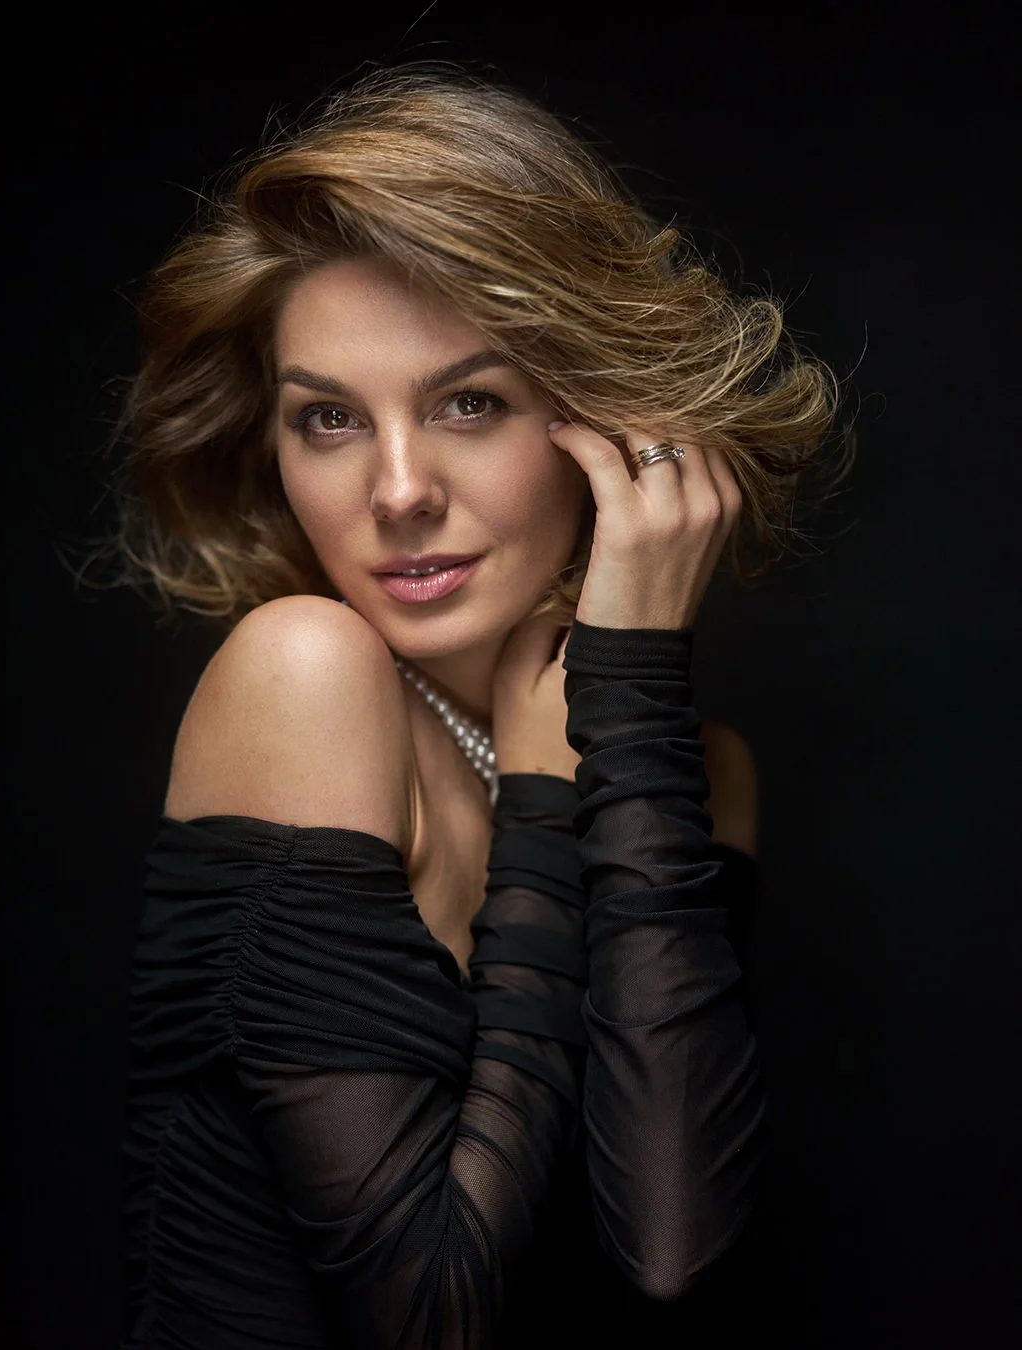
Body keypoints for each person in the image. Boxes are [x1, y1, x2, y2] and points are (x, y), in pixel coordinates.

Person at [111, 63, 846, 1349]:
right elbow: (432, 1319)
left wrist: (624, 698)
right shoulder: (303, 675)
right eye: (328, 418)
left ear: (607, 420)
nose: (398, 490)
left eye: (470, 402)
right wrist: (553, 805)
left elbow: (672, 1258)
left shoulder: (696, 773)